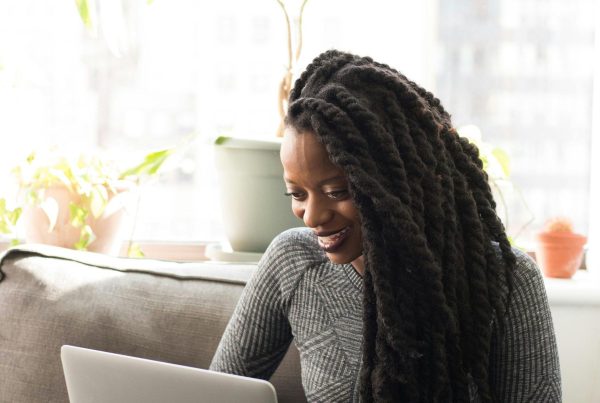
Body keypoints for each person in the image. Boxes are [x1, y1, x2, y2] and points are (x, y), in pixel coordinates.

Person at [209, 50, 561, 402]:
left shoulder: (508, 283)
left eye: (337, 191)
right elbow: (212, 393)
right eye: (297, 193)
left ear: (395, 181)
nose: (313, 215)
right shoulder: (293, 262)